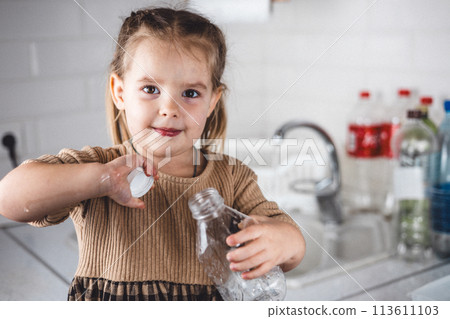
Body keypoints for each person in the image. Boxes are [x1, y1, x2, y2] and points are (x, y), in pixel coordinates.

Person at [0, 7, 305, 301]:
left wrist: (279, 242)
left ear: (212, 102)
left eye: (190, 93)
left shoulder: (233, 179)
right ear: (120, 92)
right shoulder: (98, 166)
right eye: (150, 88)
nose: (170, 109)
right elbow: (9, 199)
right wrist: (100, 179)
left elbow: (294, 247)